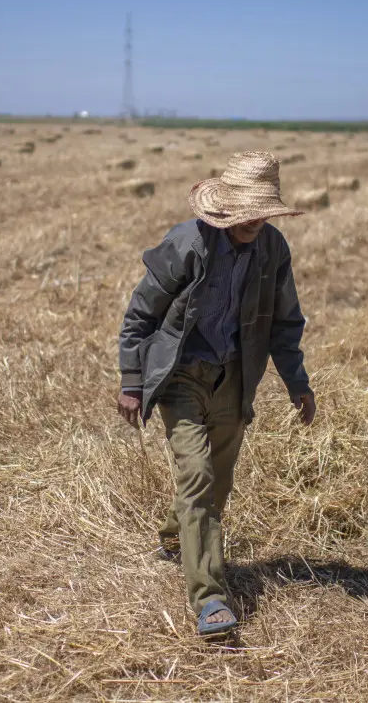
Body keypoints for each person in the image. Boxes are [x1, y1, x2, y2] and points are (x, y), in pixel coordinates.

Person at [116, 150, 317, 637]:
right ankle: (210, 598)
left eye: (261, 214)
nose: (253, 223)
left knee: (216, 483)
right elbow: (141, 313)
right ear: (225, 207)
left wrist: (298, 383)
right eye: (245, 214)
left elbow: (285, 323)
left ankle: (174, 536)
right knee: (199, 477)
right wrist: (132, 380)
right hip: (181, 377)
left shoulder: (273, 250)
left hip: (234, 377)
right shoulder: (186, 244)